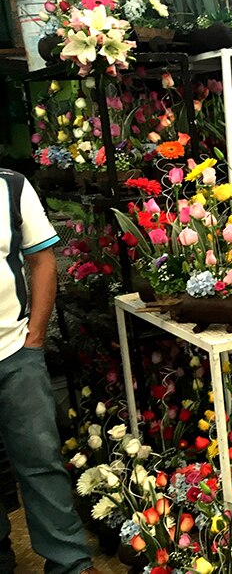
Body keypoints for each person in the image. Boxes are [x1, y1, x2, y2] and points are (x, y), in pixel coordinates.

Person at [0, 169, 98, 574]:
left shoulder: (10, 186)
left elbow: (41, 260)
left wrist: (35, 335)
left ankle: (70, 561)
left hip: (13, 352)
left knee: (41, 461)